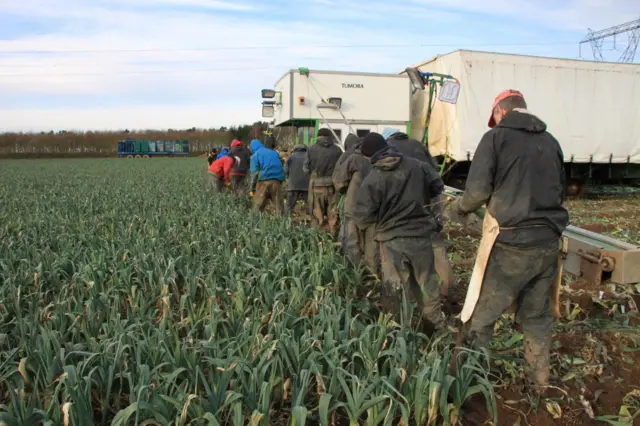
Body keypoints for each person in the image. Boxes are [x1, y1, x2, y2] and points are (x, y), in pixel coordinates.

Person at [452, 89, 569, 387]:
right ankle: (539, 381)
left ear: (501, 112)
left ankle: (466, 384)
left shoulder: (495, 138)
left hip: (510, 244)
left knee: (481, 316)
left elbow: (476, 193)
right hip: (547, 245)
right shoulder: (551, 142)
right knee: (537, 316)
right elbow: (560, 191)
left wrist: (459, 209)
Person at [352, 133, 445, 332]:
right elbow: (438, 188)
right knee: (427, 284)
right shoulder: (418, 166)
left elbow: (362, 217)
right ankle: (436, 330)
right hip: (421, 236)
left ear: (371, 156)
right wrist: (434, 216)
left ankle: (398, 333)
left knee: (394, 288)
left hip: (391, 240)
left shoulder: (373, 179)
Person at [381, 127, 456, 298]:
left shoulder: (387, 149)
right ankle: (447, 287)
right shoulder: (418, 145)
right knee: (436, 243)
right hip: (429, 201)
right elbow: (434, 171)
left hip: (403, 209)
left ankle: (407, 296)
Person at [332, 134, 374, 267]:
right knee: (370, 238)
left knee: (352, 236)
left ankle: (353, 267)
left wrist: (343, 191)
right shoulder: (379, 158)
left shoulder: (353, 158)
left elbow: (339, 181)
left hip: (354, 204)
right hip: (374, 206)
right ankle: (371, 269)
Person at [303, 128, 343, 238]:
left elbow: (305, 168)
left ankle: (317, 242)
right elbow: (341, 168)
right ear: (330, 137)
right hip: (332, 187)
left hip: (316, 187)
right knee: (333, 216)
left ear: (318, 136)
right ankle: (334, 239)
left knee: (317, 216)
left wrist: (313, 177)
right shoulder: (337, 150)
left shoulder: (311, 149)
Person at [249, 138, 285, 214]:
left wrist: (252, 189)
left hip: (263, 180)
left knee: (257, 206)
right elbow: (281, 166)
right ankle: (281, 223)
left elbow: (254, 174)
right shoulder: (273, 152)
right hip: (276, 180)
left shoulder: (255, 155)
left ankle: (254, 222)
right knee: (278, 206)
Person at [284, 145, 310, 215]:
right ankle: (313, 222)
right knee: (310, 205)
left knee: (289, 206)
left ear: (295, 149)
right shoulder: (309, 157)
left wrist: (288, 177)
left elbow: (285, 171)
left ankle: (286, 221)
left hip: (293, 185)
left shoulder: (291, 157)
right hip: (306, 185)